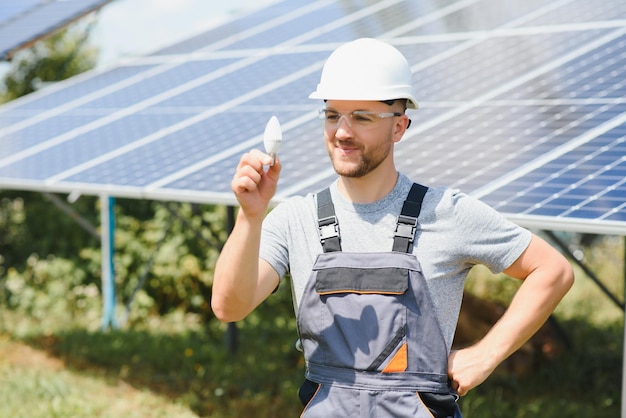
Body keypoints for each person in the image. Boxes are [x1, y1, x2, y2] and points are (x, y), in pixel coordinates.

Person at [211, 38, 574, 417]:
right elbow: (229, 306)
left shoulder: (446, 212)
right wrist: (250, 216)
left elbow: (552, 270)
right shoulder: (294, 218)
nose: (342, 132)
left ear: (399, 127)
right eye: (333, 115)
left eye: (362, 117)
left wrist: (485, 355)